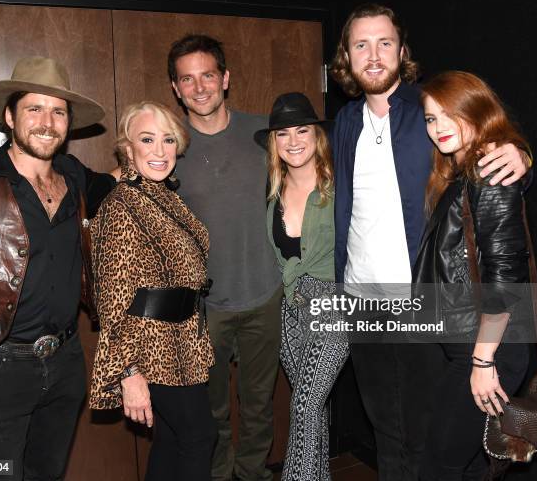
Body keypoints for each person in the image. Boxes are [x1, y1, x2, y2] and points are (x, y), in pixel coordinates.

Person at [329, 3, 531, 480]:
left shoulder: (428, 109)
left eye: (384, 43)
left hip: (425, 305)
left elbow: (483, 143)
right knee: (384, 426)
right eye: (361, 44)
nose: (373, 55)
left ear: (402, 50)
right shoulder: (344, 123)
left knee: (429, 434)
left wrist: (519, 153)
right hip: (362, 301)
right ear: (347, 57)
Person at [0, 55, 115, 480]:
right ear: (9, 116)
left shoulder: (74, 176)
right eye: (34, 108)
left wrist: (154, 144)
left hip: (68, 363)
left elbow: (118, 180)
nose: (47, 122)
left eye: (58, 112)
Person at [167, 34, 282, 481]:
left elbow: (321, 167)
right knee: (210, 411)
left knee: (258, 407)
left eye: (207, 75)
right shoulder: (169, 145)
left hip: (264, 296)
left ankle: (252, 474)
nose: (199, 88)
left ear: (225, 78)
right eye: (187, 79)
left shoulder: (264, 133)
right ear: (176, 89)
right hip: (202, 307)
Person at [89, 101, 217, 481]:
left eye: (168, 140)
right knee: (199, 436)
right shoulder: (122, 204)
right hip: (150, 348)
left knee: (173, 440)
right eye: (148, 140)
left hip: (184, 341)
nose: (160, 152)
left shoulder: (163, 195)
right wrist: (128, 373)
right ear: (128, 147)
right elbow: (112, 298)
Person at [414, 71, 530, 480]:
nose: (439, 127)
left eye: (450, 114)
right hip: (472, 342)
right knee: (467, 464)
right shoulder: (462, 169)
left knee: (441, 465)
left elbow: (505, 279)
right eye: (430, 118)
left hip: (486, 347)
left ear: (478, 111)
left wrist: (482, 360)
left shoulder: (488, 170)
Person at [254, 92, 350, 481]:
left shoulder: (341, 185)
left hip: (333, 306)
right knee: (314, 406)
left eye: (302, 130)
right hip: (290, 307)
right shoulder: (271, 191)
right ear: (273, 143)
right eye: (283, 133)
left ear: (317, 136)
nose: (293, 141)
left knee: (304, 405)